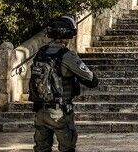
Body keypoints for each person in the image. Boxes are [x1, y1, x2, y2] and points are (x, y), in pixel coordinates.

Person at [30, 16, 99, 152]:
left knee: (41, 148)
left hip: (40, 111)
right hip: (59, 112)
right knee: (67, 148)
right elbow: (92, 80)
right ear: (67, 34)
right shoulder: (67, 55)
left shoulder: (41, 53)